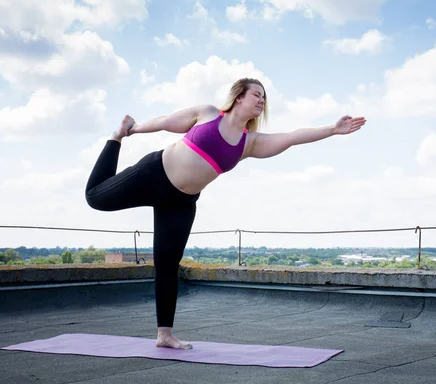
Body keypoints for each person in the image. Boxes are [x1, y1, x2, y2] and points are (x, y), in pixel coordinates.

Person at [85, 78, 366, 350]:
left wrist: (332, 129)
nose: (261, 100)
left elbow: (291, 137)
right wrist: (133, 130)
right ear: (239, 96)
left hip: (181, 201)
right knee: (95, 197)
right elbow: (167, 121)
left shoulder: (249, 143)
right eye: (257, 94)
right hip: (154, 173)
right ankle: (115, 138)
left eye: (264, 97)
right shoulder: (208, 114)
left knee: (167, 264)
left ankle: (165, 334)